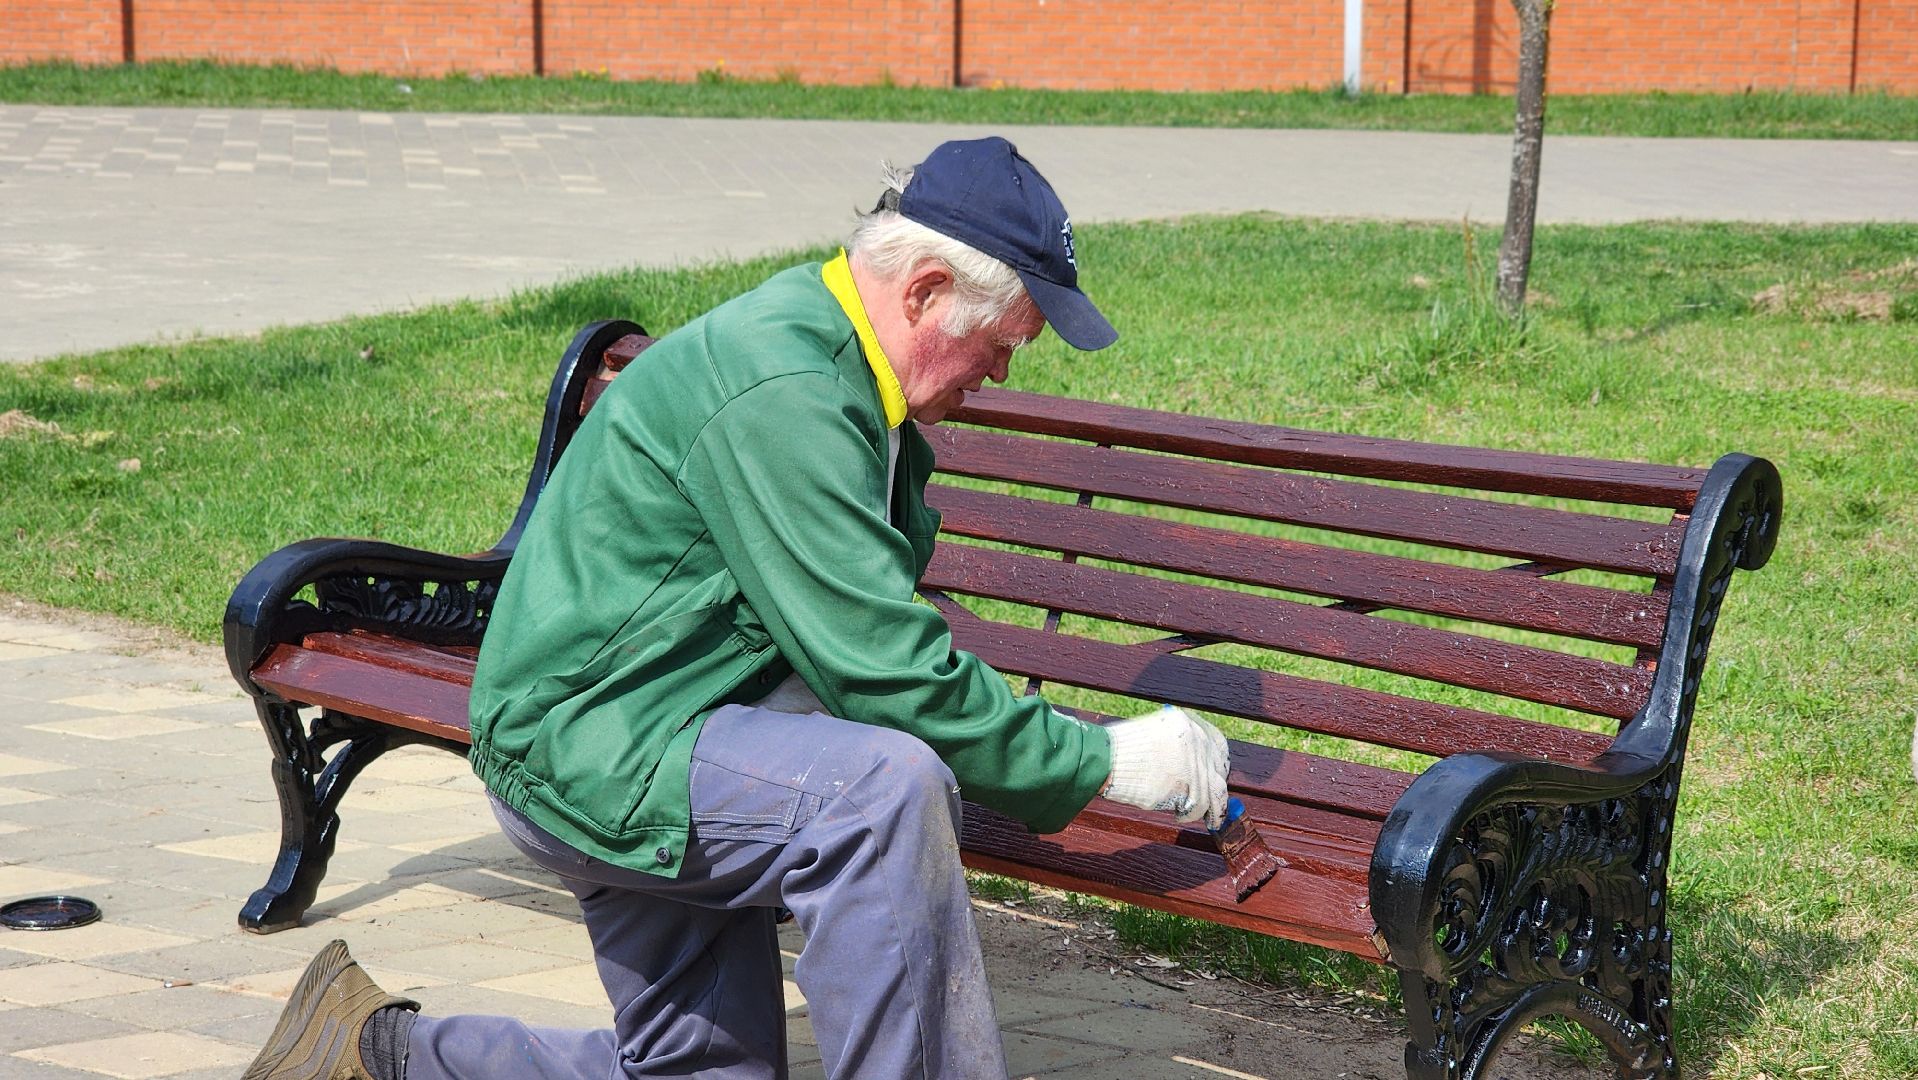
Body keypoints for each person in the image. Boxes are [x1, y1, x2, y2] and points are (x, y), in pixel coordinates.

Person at [244, 135, 1232, 1080]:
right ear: (926, 291)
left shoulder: (838, 363)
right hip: (600, 745)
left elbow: (849, 643)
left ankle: (370, 1050)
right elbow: (881, 668)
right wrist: (1101, 760)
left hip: (633, 728)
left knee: (704, 1072)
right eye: (1000, 340)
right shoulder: (792, 390)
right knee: (877, 795)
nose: (1003, 370)